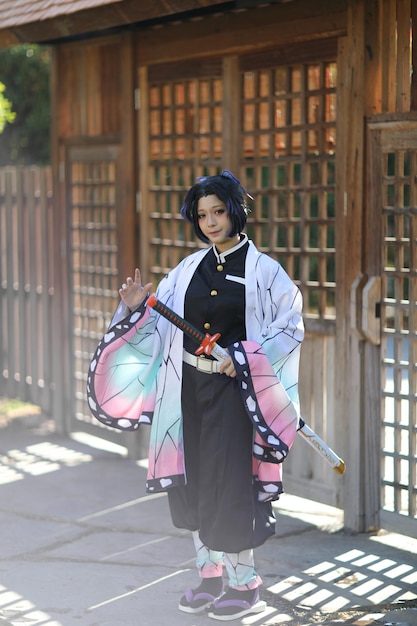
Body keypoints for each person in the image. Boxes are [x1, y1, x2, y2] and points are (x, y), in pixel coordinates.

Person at [87, 169, 304, 621]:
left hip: (234, 395)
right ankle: (209, 576)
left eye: (218, 212)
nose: (210, 222)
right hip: (186, 389)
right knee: (193, 479)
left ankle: (244, 584)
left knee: (230, 483)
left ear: (235, 211)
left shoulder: (265, 272)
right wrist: (132, 306)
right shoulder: (186, 270)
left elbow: (290, 328)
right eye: (202, 215)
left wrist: (244, 355)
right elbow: (157, 323)